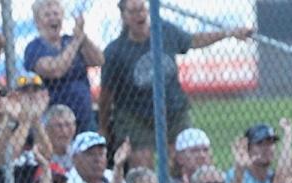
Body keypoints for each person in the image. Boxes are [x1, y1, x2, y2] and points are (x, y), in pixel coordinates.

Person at [99, 0, 253, 168]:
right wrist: (103, 126)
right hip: (135, 116)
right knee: (142, 165)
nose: (140, 15)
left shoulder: (164, 31)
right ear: (124, 17)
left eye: (142, 9)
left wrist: (228, 33)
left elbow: (193, 41)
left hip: (173, 111)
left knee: (184, 163)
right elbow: (106, 95)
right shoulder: (115, 51)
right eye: (133, 11)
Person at [24, 0, 103, 132]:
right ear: (37, 22)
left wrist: (82, 36)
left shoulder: (70, 40)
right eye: (47, 15)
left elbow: (98, 60)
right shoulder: (34, 48)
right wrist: (76, 41)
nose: (53, 18)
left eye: (56, 14)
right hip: (55, 119)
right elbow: (56, 70)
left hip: (84, 115)